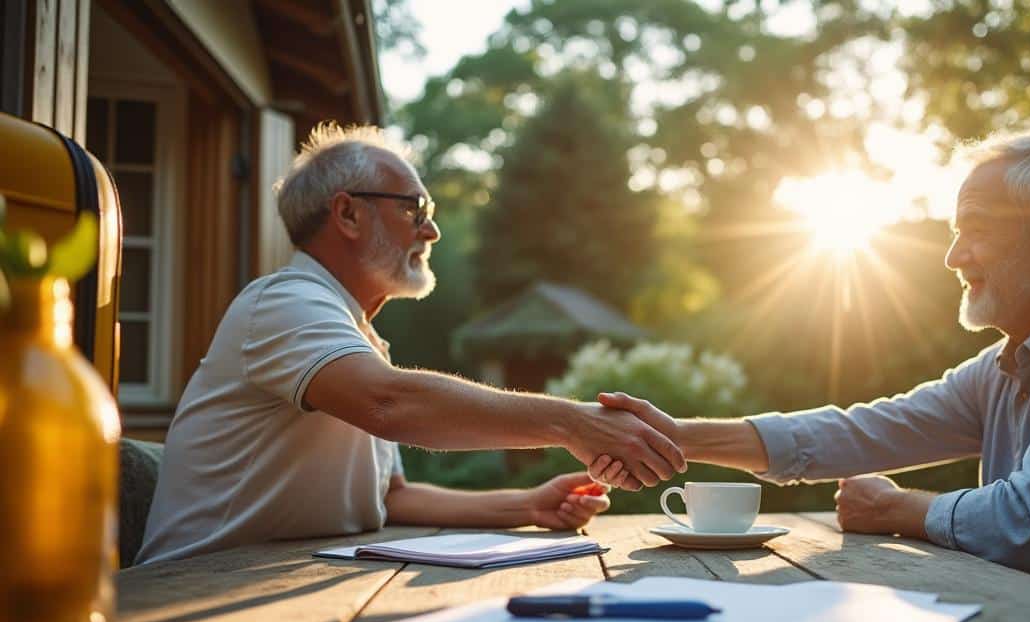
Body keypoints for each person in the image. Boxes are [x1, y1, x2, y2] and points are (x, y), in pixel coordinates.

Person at [589, 130, 1030, 622]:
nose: (954, 257)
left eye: (975, 233)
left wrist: (901, 509)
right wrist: (676, 437)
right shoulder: (1005, 367)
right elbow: (855, 431)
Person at [137, 124, 684, 564]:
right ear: (348, 213)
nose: (432, 232)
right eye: (415, 209)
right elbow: (388, 403)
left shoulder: (358, 338)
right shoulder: (284, 302)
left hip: (275, 581)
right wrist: (574, 423)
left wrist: (527, 504)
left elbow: (390, 498)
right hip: (193, 585)